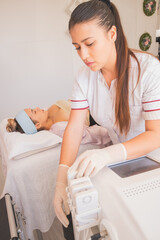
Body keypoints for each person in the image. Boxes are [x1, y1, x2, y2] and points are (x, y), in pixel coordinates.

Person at [53, 0, 160, 228]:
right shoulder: (84, 77)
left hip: (154, 160)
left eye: (89, 43)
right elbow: (74, 128)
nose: (83, 54)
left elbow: (156, 135)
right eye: (77, 47)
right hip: (121, 164)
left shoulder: (149, 70)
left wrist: (107, 154)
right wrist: (61, 180)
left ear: (112, 34)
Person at [6, 99, 90, 134]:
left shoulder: (47, 112)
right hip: (96, 115)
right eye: (34, 112)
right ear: (37, 125)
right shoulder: (59, 128)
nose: (38, 108)